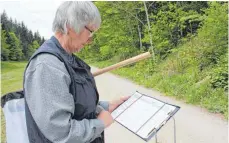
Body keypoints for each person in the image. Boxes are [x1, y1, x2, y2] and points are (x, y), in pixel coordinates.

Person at [24, 1, 128, 143]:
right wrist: (100, 124)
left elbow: (75, 104)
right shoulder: (47, 66)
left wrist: (106, 106)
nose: (89, 40)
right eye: (90, 31)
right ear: (70, 26)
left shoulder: (68, 59)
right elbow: (61, 133)